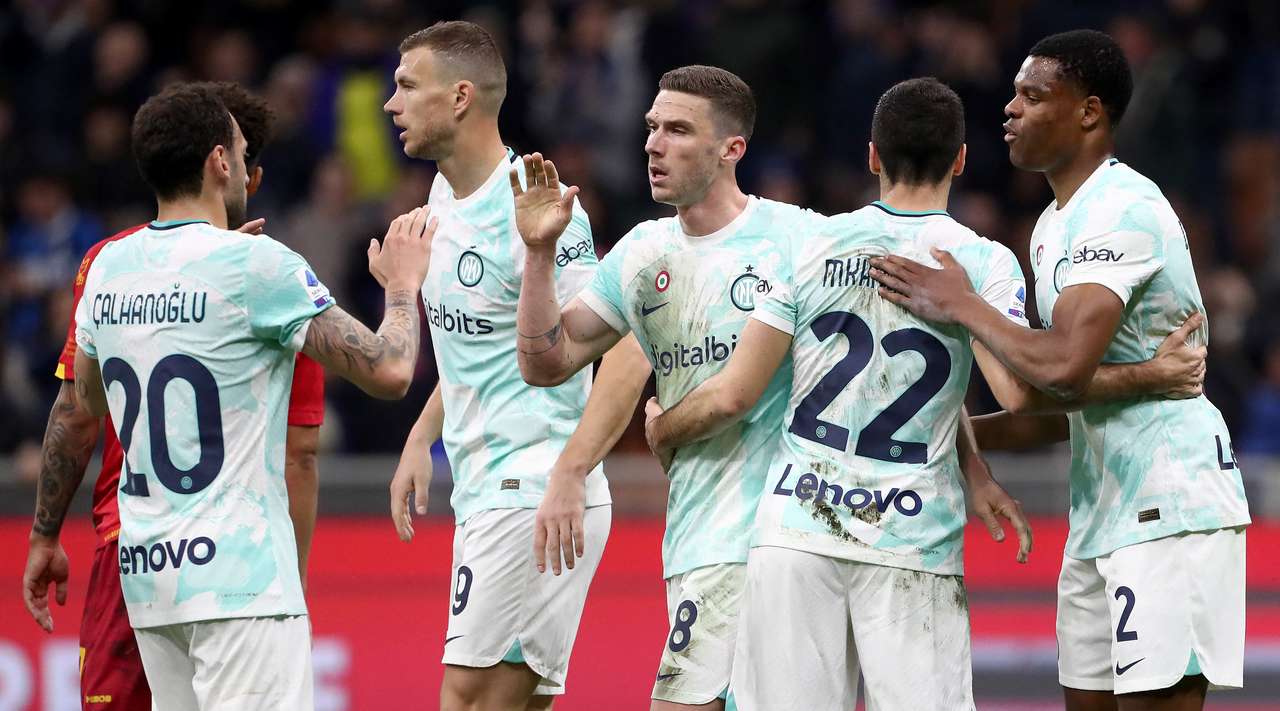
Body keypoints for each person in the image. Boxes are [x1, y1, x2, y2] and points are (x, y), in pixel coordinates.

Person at [512, 68, 1028, 711]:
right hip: (713, 532)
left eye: (677, 130)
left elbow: (778, 388)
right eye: (651, 127)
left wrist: (660, 429)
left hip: (769, 533)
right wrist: (539, 256)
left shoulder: (800, 238)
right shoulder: (642, 253)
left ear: (732, 149)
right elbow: (547, 362)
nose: (653, 144)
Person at [869, 30, 1249, 710]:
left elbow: (1067, 369)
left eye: (1033, 95)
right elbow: (1044, 401)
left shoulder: (1122, 209)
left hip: (1170, 500)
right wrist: (947, 441)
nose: (1010, 108)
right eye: (1013, 93)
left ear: (1089, 112)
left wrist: (963, 304)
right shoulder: (1052, 224)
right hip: (1101, 504)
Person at [54, 82, 432, 710]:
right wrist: (403, 284)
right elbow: (390, 370)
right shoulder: (260, 265)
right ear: (220, 162)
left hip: (150, 581)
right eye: (238, 148)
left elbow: (89, 402)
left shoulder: (107, 271)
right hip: (241, 579)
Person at [21, 81, 326, 711]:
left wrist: (44, 534)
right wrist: (289, 586)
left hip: (132, 557)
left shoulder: (107, 265)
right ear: (234, 168)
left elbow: (76, 413)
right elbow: (299, 456)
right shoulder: (279, 282)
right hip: (235, 569)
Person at [381, 21, 650, 711]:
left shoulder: (539, 208)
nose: (391, 103)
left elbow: (623, 344)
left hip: (532, 489)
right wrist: (421, 436)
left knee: (467, 700)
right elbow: (484, 341)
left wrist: (571, 472)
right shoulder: (443, 197)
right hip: (487, 489)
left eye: (407, 86)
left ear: (460, 97)